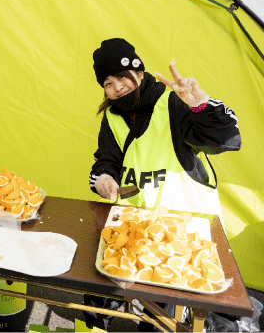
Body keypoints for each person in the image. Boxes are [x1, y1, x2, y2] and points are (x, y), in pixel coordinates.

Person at [81, 38, 241, 331]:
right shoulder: (113, 117)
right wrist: (104, 179)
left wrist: (199, 105)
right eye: (108, 83)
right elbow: (106, 160)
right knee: (96, 294)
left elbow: (224, 140)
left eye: (122, 77)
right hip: (132, 226)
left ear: (139, 73)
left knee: (162, 317)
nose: (117, 88)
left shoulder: (172, 102)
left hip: (182, 230)